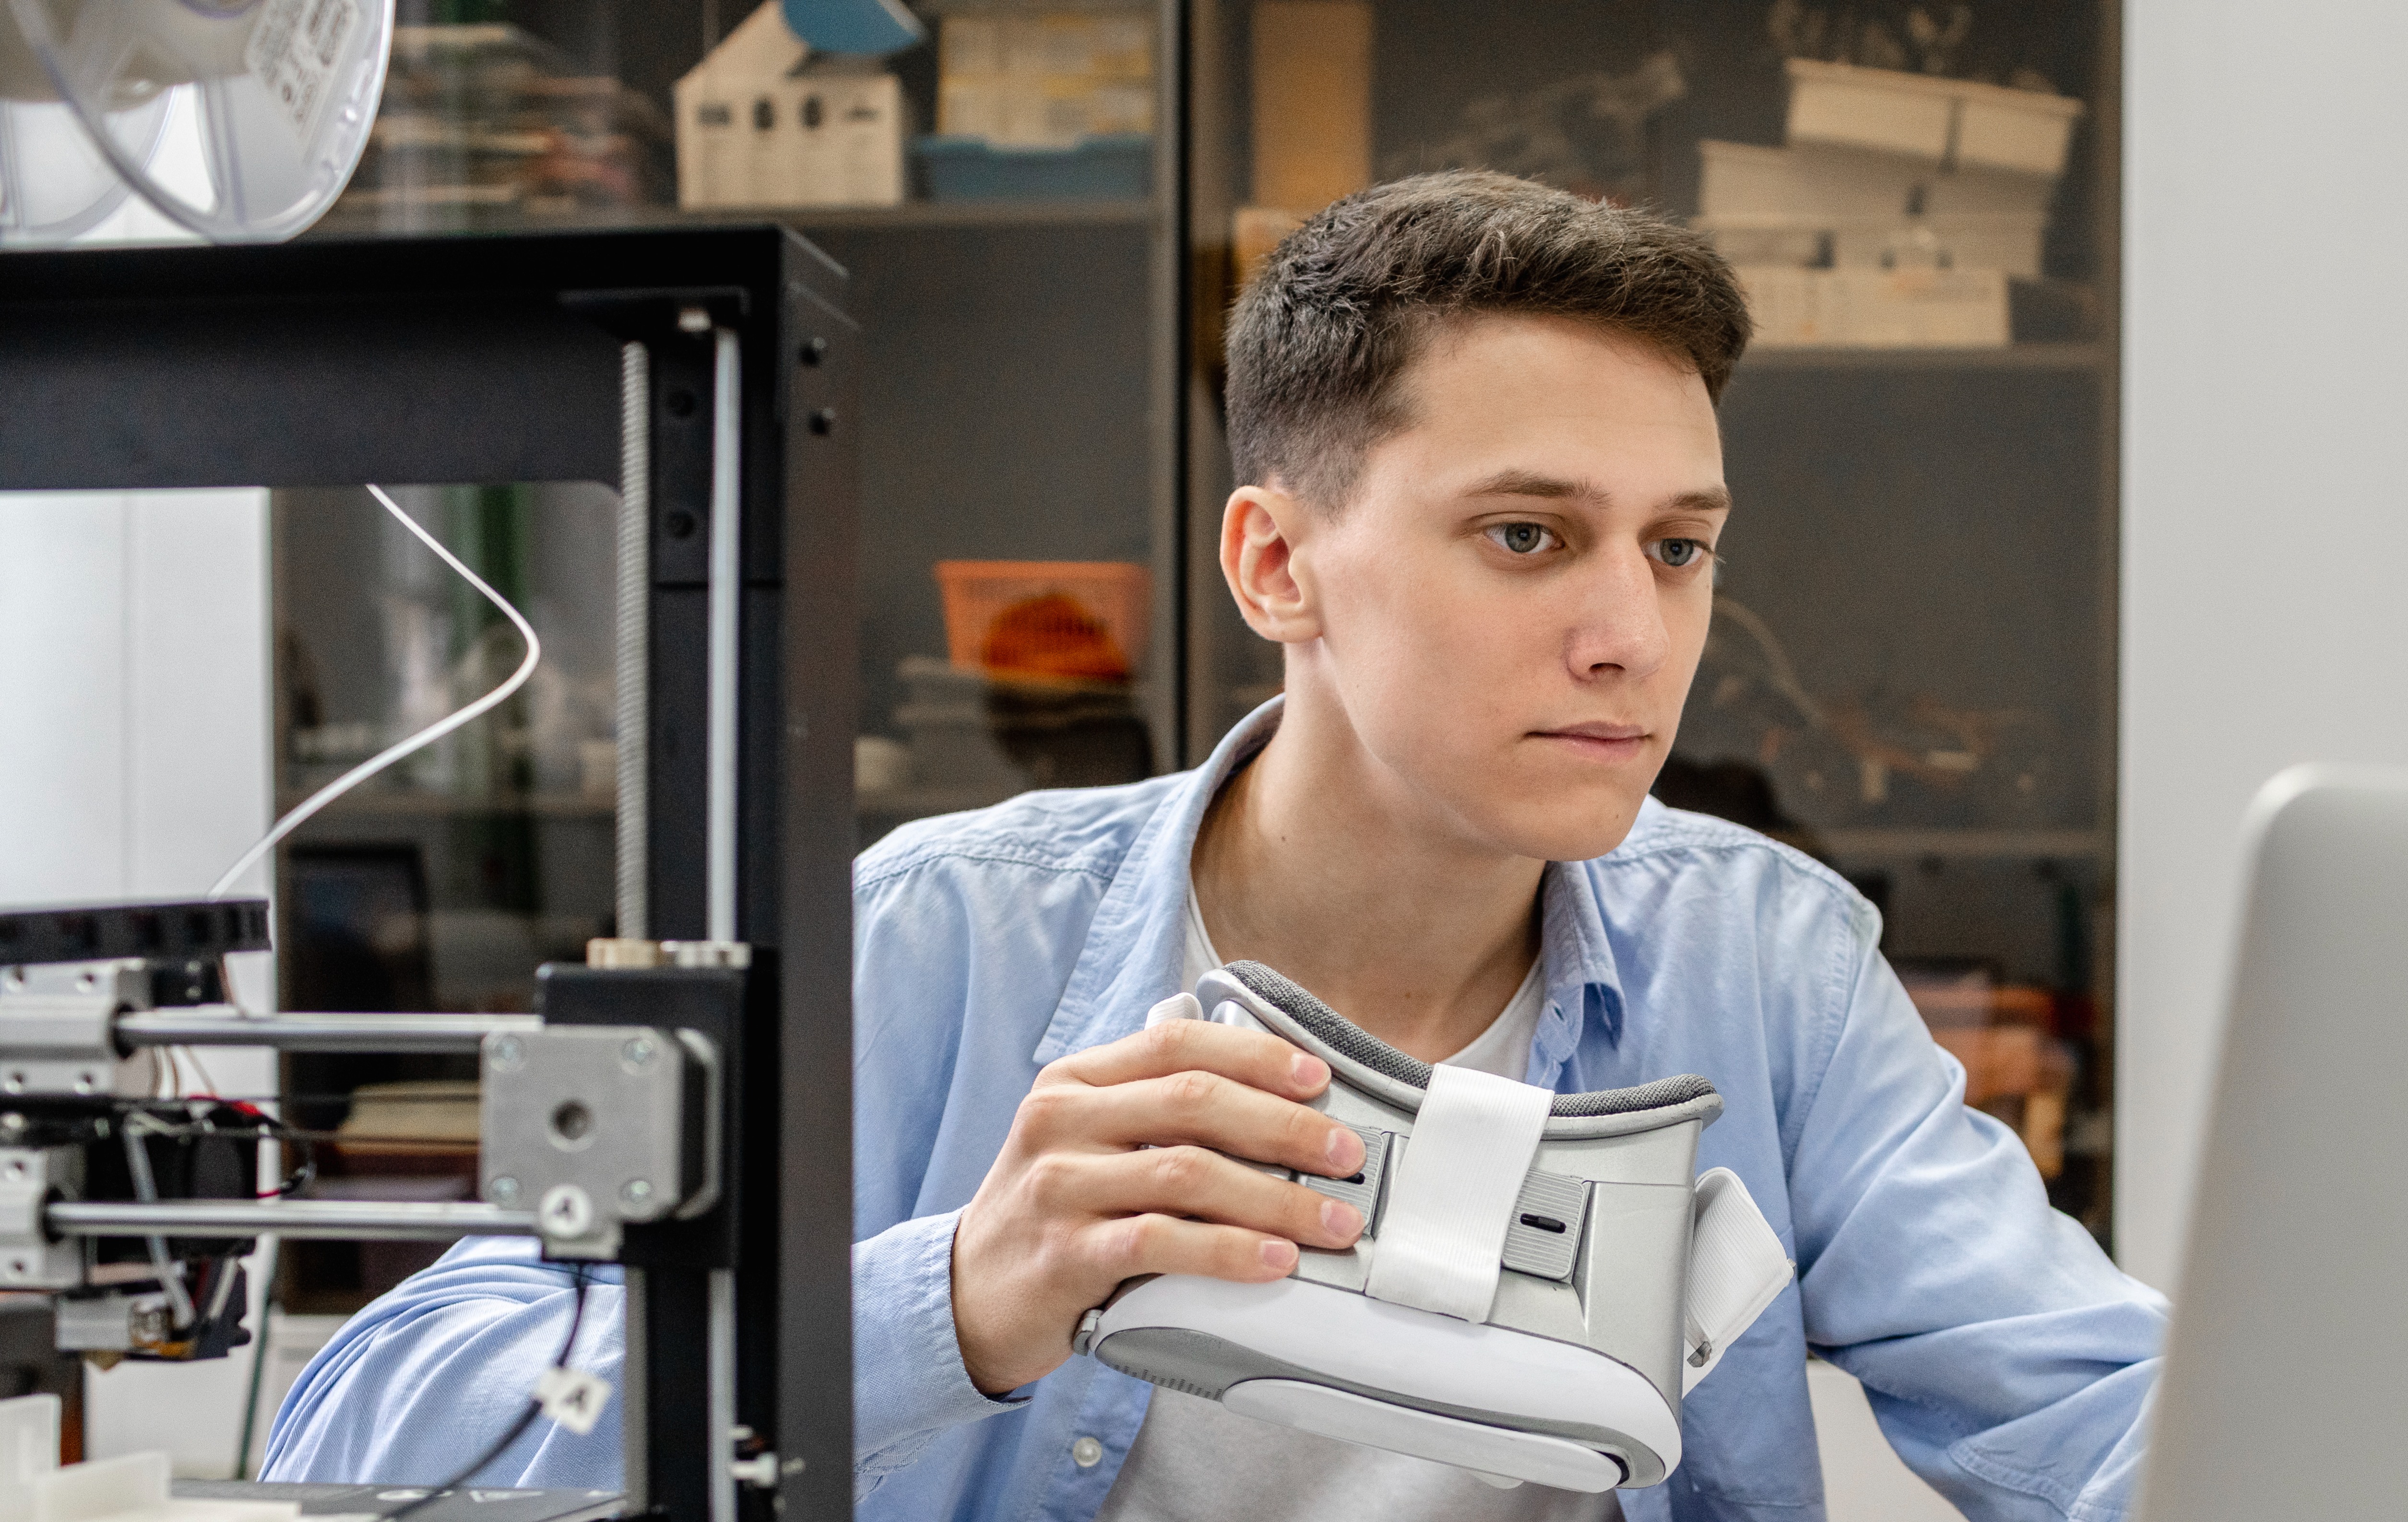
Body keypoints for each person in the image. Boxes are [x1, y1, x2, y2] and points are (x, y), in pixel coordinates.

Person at [263, 170, 2165, 1522]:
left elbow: (2097, 1404)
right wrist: (966, 1295)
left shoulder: (1761, 960)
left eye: (1676, 543)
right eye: (1526, 533)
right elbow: (366, 1425)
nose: (1633, 630)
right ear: (1276, 565)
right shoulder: (943, 939)